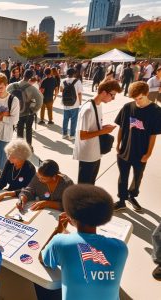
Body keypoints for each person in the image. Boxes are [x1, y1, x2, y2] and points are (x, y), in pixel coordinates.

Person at [39, 184, 128, 300]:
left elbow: (42, 258)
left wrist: (59, 229)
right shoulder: (121, 248)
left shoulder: (60, 242)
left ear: (70, 218)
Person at [113, 81, 161, 212]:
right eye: (135, 99)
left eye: (140, 98)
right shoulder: (127, 107)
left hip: (141, 152)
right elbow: (122, 127)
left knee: (137, 176)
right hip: (125, 150)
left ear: (147, 94)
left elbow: (153, 135)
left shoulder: (156, 111)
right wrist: (118, 144)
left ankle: (132, 196)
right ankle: (122, 200)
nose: (137, 101)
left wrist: (149, 153)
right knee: (122, 176)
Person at [73, 80, 122, 185]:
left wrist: (103, 127)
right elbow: (82, 135)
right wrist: (103, 131)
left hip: (95, 152)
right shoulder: (88, 110)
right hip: (87, 155)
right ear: (104, 92)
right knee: (83, 187)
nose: (113, 99)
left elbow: (92, 128)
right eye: (112, 95)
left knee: (90, 185)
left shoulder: (98, 105)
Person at [7, 69, 43, 151]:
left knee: (19, 130)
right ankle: (29, 147)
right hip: (28, 113)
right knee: (29, 130)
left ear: (23, 75)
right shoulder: (32, 88)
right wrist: (33, 109)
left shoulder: (11, 86)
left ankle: (19, 148)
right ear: (31, 78)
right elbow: (40, 101)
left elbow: (6, 96)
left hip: (16, 112)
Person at [60, 68, 83, 141]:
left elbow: (61, 90)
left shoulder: (63, 81)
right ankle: (72, 135)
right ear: (74, 73)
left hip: (66, 103)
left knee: (65, 119)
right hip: (75, 103)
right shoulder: (77, 81)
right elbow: (79, 93)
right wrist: (80, 102)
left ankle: (64, 134)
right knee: (74, 120)